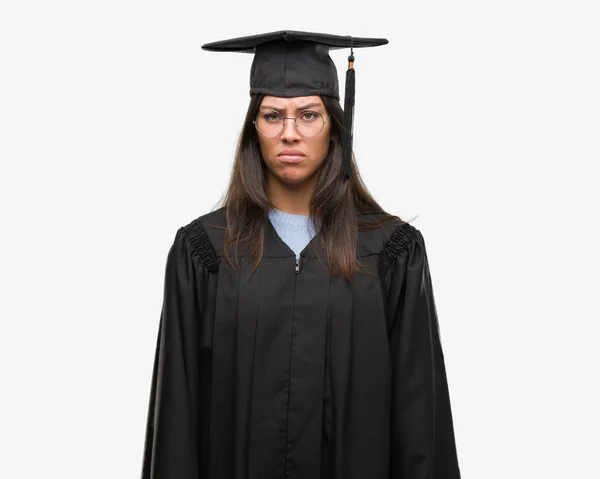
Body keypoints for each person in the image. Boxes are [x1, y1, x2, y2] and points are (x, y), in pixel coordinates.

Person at [141, 30, 461, 479]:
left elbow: (419, 422)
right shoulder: (204, 252)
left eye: (308, 115)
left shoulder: (391, 252)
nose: (289, 133)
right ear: (253, 128)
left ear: (334, 126)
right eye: (273, 115)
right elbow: (177, 417)